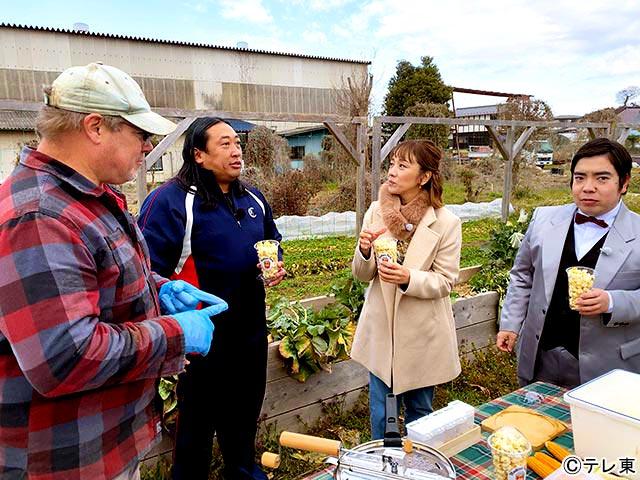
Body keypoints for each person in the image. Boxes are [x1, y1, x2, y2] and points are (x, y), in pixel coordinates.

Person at [0, 63, 228, 480]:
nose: (147, 147)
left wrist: (159, 289)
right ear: (95, 127)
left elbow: (96, 279)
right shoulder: (39, 216)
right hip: (65, 461)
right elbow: (66, 357)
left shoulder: (89, 196)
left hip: (105, 444)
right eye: (140, 135)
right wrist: (177, 332)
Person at [137, 117, 285, 480]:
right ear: (199, 155)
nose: (236, 152)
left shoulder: (252, 197)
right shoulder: (171, 202)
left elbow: (273, 239)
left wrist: (276, 263)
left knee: (245, 416)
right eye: (225, 144)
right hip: (202, 338)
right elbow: (144, 270)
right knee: (196, 429)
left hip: (250, 331)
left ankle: (242, 470)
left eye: (237, 143)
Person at [497, 138, 640, 389]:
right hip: (542, 356)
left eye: (602, 178)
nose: (588, 187)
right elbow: (523, 275)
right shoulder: (544, 219)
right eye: (580, 177)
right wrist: (510, 323)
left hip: (609, 365)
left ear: (624, 183)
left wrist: (613, 302)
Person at [351, 140, 462, 439]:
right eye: (392, 164)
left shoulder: (446, 223)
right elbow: (363, 275)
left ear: (424, 177)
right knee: (383, 413)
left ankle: (419, 463)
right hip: (383, 330)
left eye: (403, 166)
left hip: (422, 333)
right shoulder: (376, 212)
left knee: (420, 414)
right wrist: (363, 251)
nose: (392, 172)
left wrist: (407, 278)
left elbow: (445, 280)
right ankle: (384, 464)